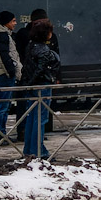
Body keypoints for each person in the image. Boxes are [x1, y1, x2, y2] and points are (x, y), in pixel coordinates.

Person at [20, 20, 61, 158]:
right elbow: (42, 68)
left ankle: (30, 149)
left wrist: (29, 82)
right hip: (41, 86)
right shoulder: (43, 50)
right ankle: (38, 150)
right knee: (40, 118)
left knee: (32, 117)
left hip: (32, 86)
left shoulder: (31, 46)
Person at [0, 10, 20, 143]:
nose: (15, 23)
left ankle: (0, 133)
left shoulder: (1, 35)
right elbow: (5, 56)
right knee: (3, 105)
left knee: (3, 105)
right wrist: (12, 71)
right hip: (4, 74)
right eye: (13, 21)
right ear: (6, 22)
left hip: (2, 73)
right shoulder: (2, 36)